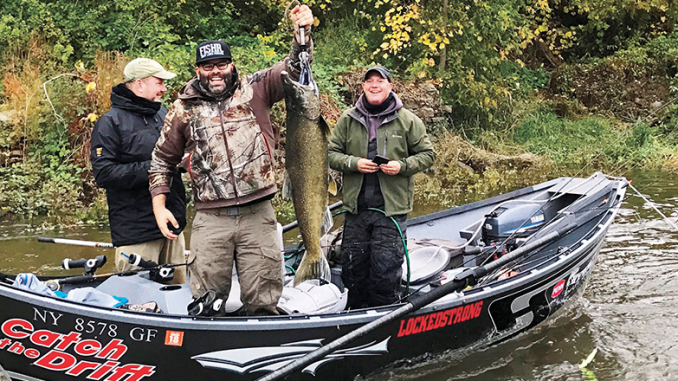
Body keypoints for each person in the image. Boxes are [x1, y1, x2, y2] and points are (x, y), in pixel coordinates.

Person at [148, 5, 315, 316]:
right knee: (206, 302)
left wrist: (302, 33)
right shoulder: (183, 108)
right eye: (208, 66)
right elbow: (161, 160)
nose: (216, 72)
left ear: (232, 65)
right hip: (211, 219)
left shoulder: (257, 88)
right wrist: (159, 206)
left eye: (221, 64)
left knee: (264, 300)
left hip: (259, 214)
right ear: (197, 70)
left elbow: (295, 68)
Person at [328, 65, 436, 308]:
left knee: (385, 273)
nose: (374, 85)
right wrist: (353, 163)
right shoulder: (347, 119)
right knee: (353, 272)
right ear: (363, 87)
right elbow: (331, 154)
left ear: (390, 86)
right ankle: (353, 320)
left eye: (380, 80)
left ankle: (385, 319)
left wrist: (402, 166)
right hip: (356, 210)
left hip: (391, 211)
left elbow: (428, 155)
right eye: (370, 81)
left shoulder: (408, 121)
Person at [91, 58, 188, 284]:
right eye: (159, 82)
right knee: (139, 302)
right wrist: (157, 168)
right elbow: (104, 174)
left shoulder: (163, 113)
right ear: (140, 84)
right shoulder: (109, 123)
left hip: (173, 227)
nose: (164, 88)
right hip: (137, 233)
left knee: (179, 298)